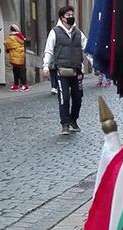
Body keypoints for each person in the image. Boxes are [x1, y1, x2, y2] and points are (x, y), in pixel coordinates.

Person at [41, 5, 85, 135]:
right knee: (64, 98)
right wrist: (45, 66)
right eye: (68, 15)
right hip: (62, 71)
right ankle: (64, 123)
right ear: (62, 18)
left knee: (78, 98)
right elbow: (49, 50)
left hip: (76, 71)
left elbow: (86, 47)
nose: (71, 17)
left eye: (72, 15)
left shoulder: (78, 32)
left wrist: (95, 63)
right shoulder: (55, 32)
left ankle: (73, 119)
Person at [4, 24, 28, 91]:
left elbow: (6, 43)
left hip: (15, 56)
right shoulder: (20, 36)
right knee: (19, 70)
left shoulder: (12, 37)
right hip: (20, 56)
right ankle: (20, 85)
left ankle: (21, 85)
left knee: (17, 71)